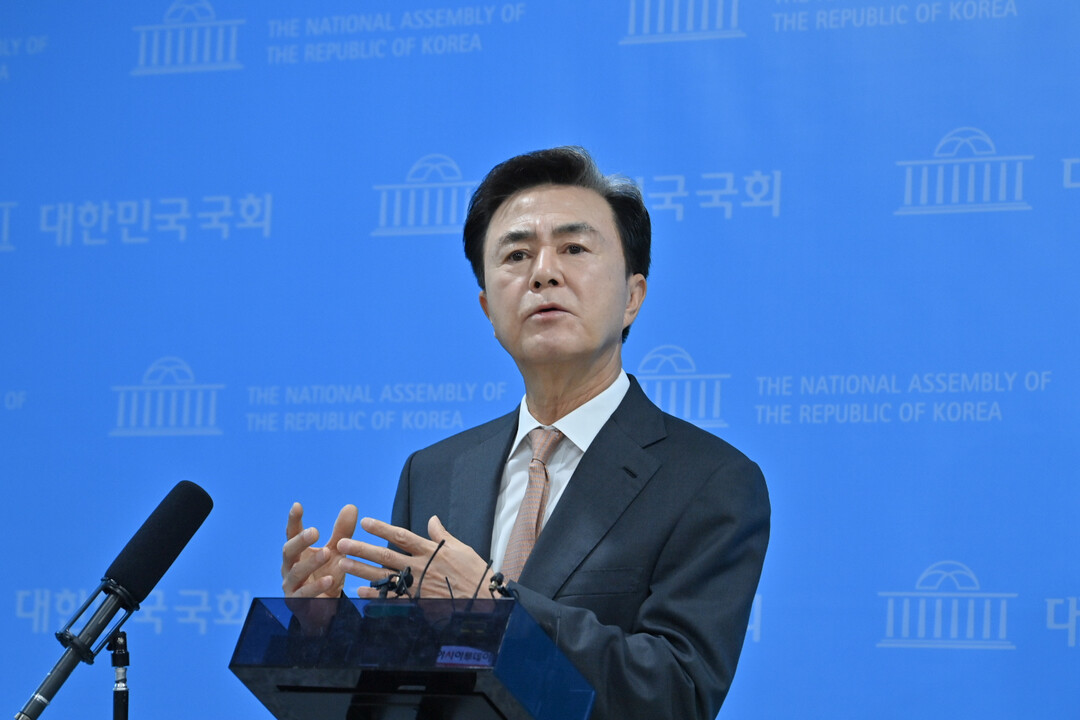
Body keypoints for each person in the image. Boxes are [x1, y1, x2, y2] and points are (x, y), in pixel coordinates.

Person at [280, 146, 770, 719]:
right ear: (488, 309)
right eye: (516, 254)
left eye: (573, 248)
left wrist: (493, 608)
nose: (543, 273)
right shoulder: (433, 472)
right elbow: (400, 692)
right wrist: (327, 633)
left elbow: (674, 695)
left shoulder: (709, 481)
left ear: (633, 297)